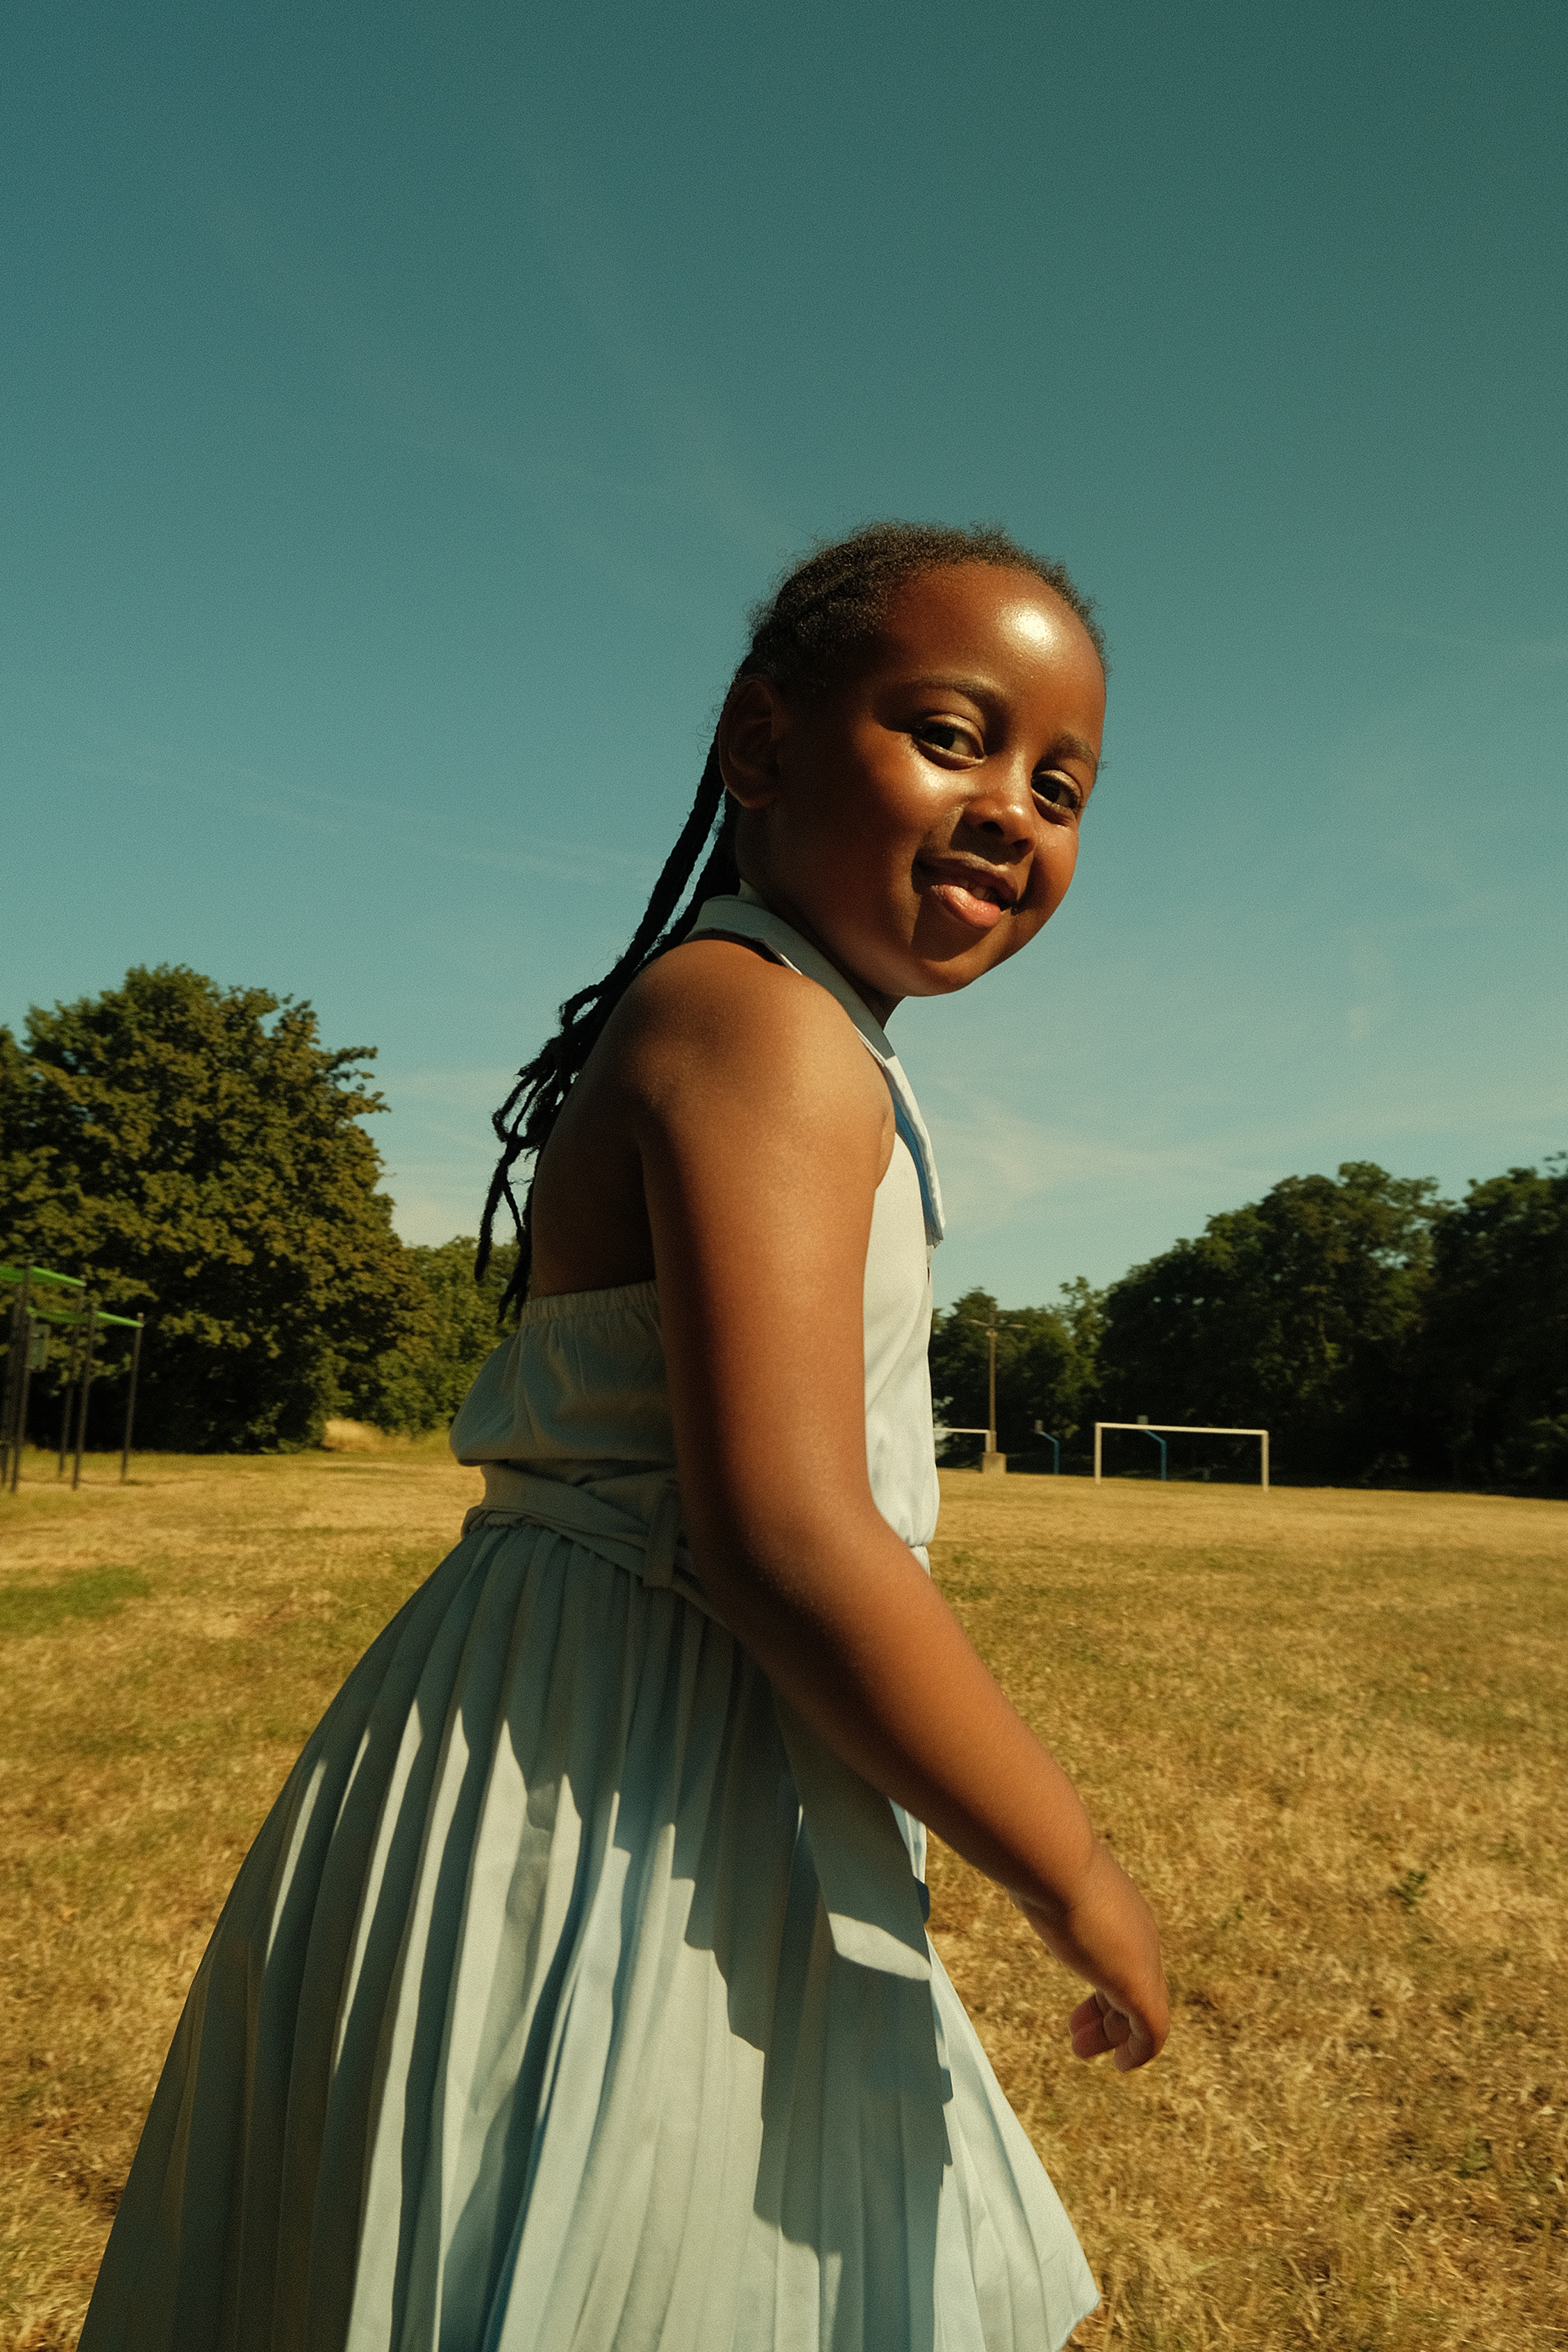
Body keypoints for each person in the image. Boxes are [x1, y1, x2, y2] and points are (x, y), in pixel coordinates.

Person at [83, 522, 1167, 2352]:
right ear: (760, 744)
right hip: (611, 1787)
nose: (1015, 808)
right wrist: (1073, 1866)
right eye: (952, 732)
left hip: (676, 1749)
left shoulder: (786, 1026)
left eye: (1061, 781)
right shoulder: (759, 1023)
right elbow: (792, 1539)